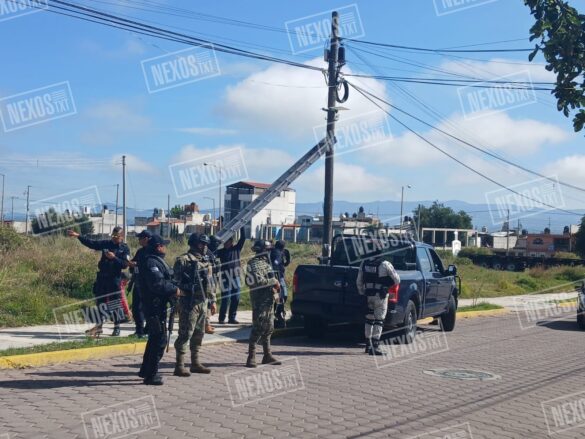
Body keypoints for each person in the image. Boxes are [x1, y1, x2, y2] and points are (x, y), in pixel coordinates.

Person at [67, 226, 130, 337]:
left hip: (114, 279)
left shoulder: (124, 248)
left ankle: (117, 327)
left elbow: (125, 264)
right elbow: (92, 243)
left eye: (117, 236)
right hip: (102, 278)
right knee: (100, 302)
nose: (114, 238)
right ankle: (99, 327)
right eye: (113, 236)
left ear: (121, 237)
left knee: (115, 303)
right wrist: (78, 236)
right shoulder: (106, 243)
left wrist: (114, 258)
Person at [139, 234, 182, 385]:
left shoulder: (156, 260)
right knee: (159, 341)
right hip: (154, 307)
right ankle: (151, 375)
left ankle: (145, 370)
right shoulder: (151, 262)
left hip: (158, 306)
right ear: (158, 247)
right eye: (163, 245)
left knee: (154, 338)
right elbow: (157, 284)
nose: (165, 248)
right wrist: (174, 290)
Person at [173, 234, 217, 376]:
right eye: (202, 244)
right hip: (189, 303)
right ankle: (179, 365)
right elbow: (175, 282)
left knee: (199, 333)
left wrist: (213, 301)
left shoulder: (206, 261)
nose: (205, 247)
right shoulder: (183, 260)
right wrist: (179, 298)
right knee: (185, 333)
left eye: (206, 244)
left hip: (203, 302)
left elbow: (211, 283)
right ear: (194, 244)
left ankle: (195, 363)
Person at [245, 240, 281, 368]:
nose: (269, 252)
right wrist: (274, 281)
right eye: (267, 250)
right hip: (259, 301)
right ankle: (251, 356)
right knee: (258, 328)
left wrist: (276, 287)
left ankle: (267, 355)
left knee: (269, 327)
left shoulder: (266, 263)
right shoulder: (254, 263)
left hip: (269, 299)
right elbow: (258, 281)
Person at [356, 253, 401, 356]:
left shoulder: (364, 263)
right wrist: (387, 285)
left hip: (368, 295)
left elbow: (359, 281)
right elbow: (397, 280)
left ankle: (368, 345)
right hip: (380, 296)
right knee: (379, 320)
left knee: (369, 319)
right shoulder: (385, 264)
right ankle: (375, 346)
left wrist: (362, 293)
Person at [216, 228, 246, 324]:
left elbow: (243, 238)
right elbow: (211, 252)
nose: (225, 243)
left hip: (236, 277)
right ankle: (221, 318)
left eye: (227, 241)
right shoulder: (220, 251)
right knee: (225, 299)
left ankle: (232, 318)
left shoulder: (236, 249)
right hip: (225, 278)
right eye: (224, 242)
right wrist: (217, 241)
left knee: (236, 298)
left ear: (231, 241)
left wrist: (242, 227)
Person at [127, 230, 152, 337]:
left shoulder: (152, 251)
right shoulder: (140, 251)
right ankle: (139, 330)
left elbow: (150, 265)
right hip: (138, 283)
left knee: (148, 308)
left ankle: (148, 329)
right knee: (136, 308)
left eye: (140, 238)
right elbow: (133, 263)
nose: (138, 240)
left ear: (146, 239)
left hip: (149, 285)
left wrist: (137, 264)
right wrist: (131, 264)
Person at [270, 240, 291, 328]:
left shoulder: (276, 252)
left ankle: (277, 312)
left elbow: (284, 263)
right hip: (278, 277)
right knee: (282, 295)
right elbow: (275, 263)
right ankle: (278, 313)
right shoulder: (277, 253)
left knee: (279, 296)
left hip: (278, 277)